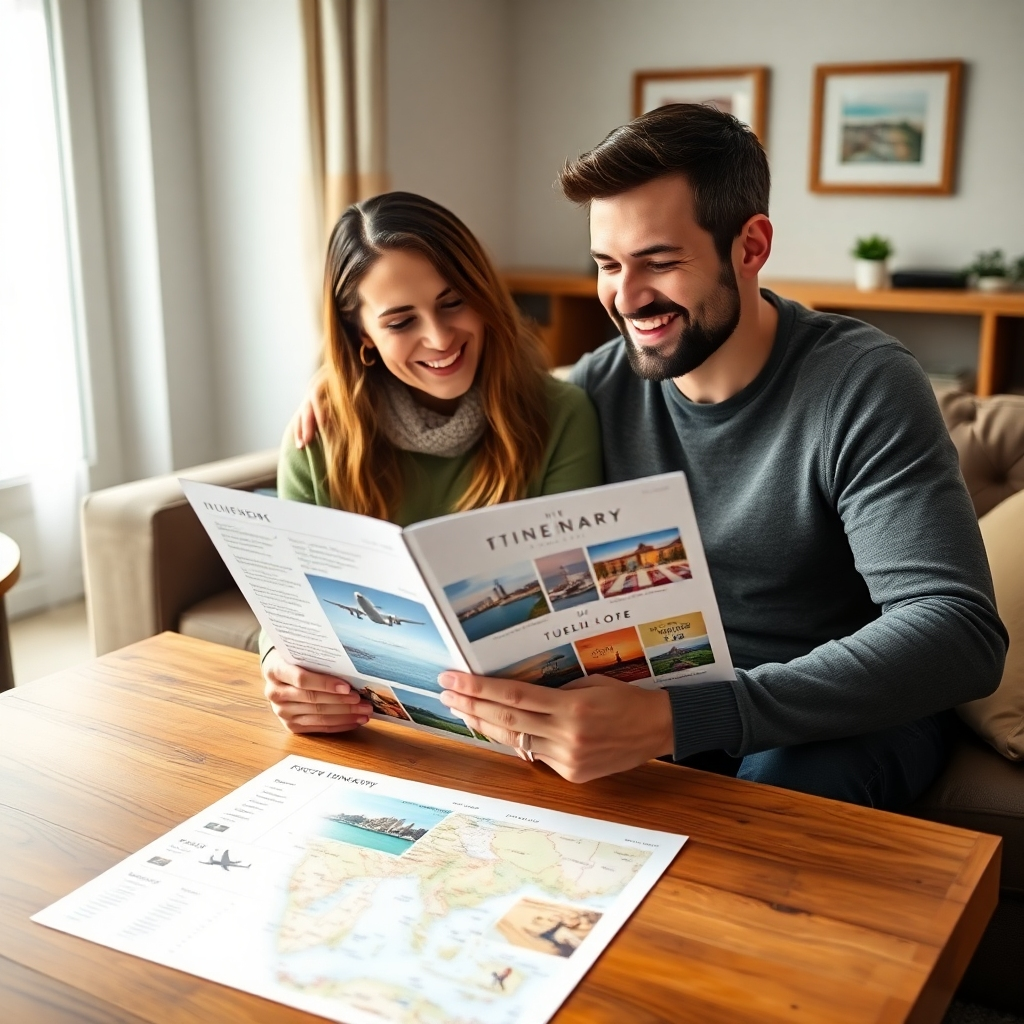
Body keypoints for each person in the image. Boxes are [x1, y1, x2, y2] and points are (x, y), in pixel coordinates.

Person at [428, 104, 1007, 807]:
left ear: (751, 246)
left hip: (835, 718)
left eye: (660, 262)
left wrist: (682, 716)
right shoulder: (598, 387)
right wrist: (350, 396)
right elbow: (467, 443)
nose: (627, 297)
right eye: (608, 264)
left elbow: (957, 629)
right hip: (659, 704)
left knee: (775, 796)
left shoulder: (862, 384)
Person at [262, 191, 602, 735]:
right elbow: (290, 610)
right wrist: (280, 664)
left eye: (452, 302)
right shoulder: (318, 438)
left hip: (521, 723)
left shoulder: (561, 416)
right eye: (400, 322)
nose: (440, 338)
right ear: (361, 335)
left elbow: (569, 613)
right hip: (374, 734)